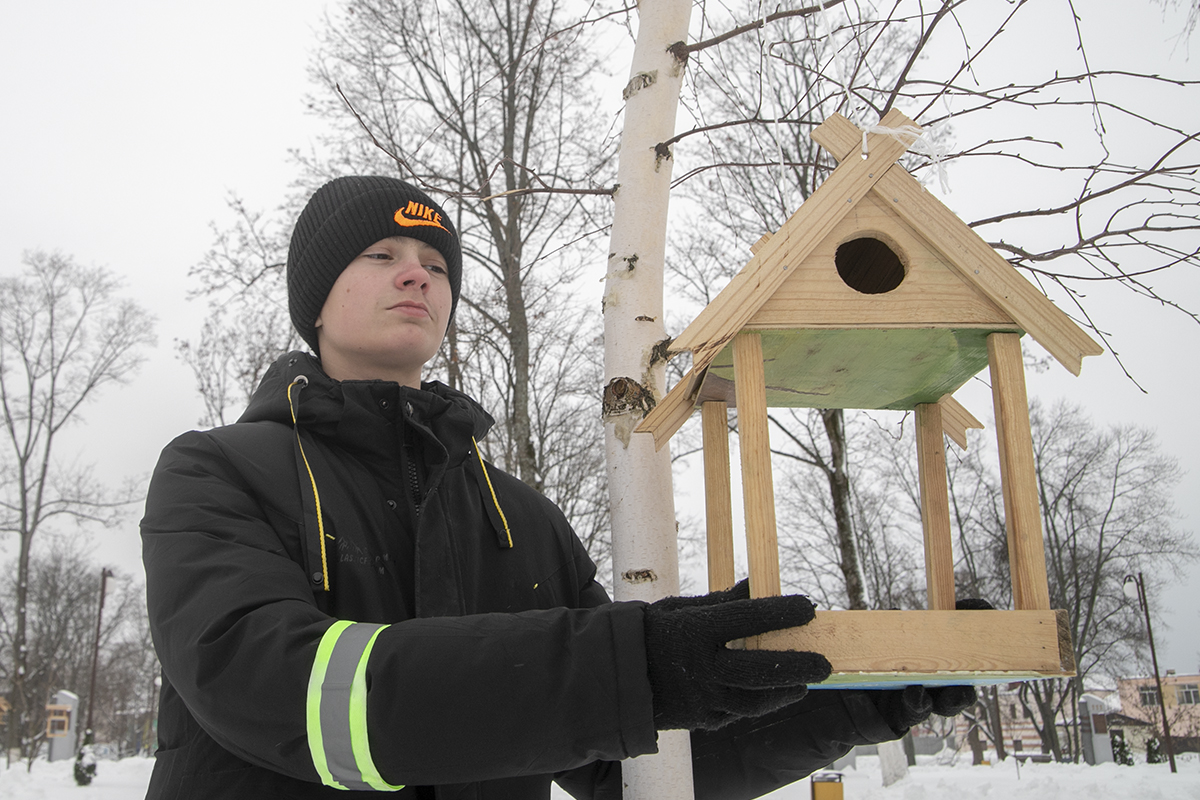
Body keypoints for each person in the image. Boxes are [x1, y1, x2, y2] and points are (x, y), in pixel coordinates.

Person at [142, 176, 972, 799]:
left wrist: (863, 694)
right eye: (381, 255)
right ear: (315, 302)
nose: (418, 276)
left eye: (436, 264)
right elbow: (279, 691)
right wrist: (631, 666)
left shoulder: (524, 520)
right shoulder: (215, 471)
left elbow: (629, 767)